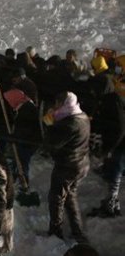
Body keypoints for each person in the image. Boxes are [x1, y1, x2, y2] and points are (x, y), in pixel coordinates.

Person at [44, 91, 90, 242]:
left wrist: (50, 125)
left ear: (65, 104)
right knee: (70, 195)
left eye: (58, 104)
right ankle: (77, 231)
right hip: (81, 164)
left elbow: (52, 144)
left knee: (56, 197)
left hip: (67, 166)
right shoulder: (82, 116)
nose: (55, 106)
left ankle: (55, 231)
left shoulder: (69, 123)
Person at [88, 74, 125, 218]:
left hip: (119, 144)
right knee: (112, 172)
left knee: (115, 173)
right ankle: (112, 204)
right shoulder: (107, 99)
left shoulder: (112, 101)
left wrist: (109, 149)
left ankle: (110, 206)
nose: (92, 91)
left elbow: (120, 128)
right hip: (116, 143)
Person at [3, 89, 41, 186]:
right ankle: (16, 177)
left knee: (23, 162)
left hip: (28, 142)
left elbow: (26, 130)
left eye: (10, 101)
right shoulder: (24, 105)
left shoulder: (27, 110)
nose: (9, 103)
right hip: (26, 140)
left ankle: (23, 183)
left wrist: (14, 137)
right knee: (18, 160)